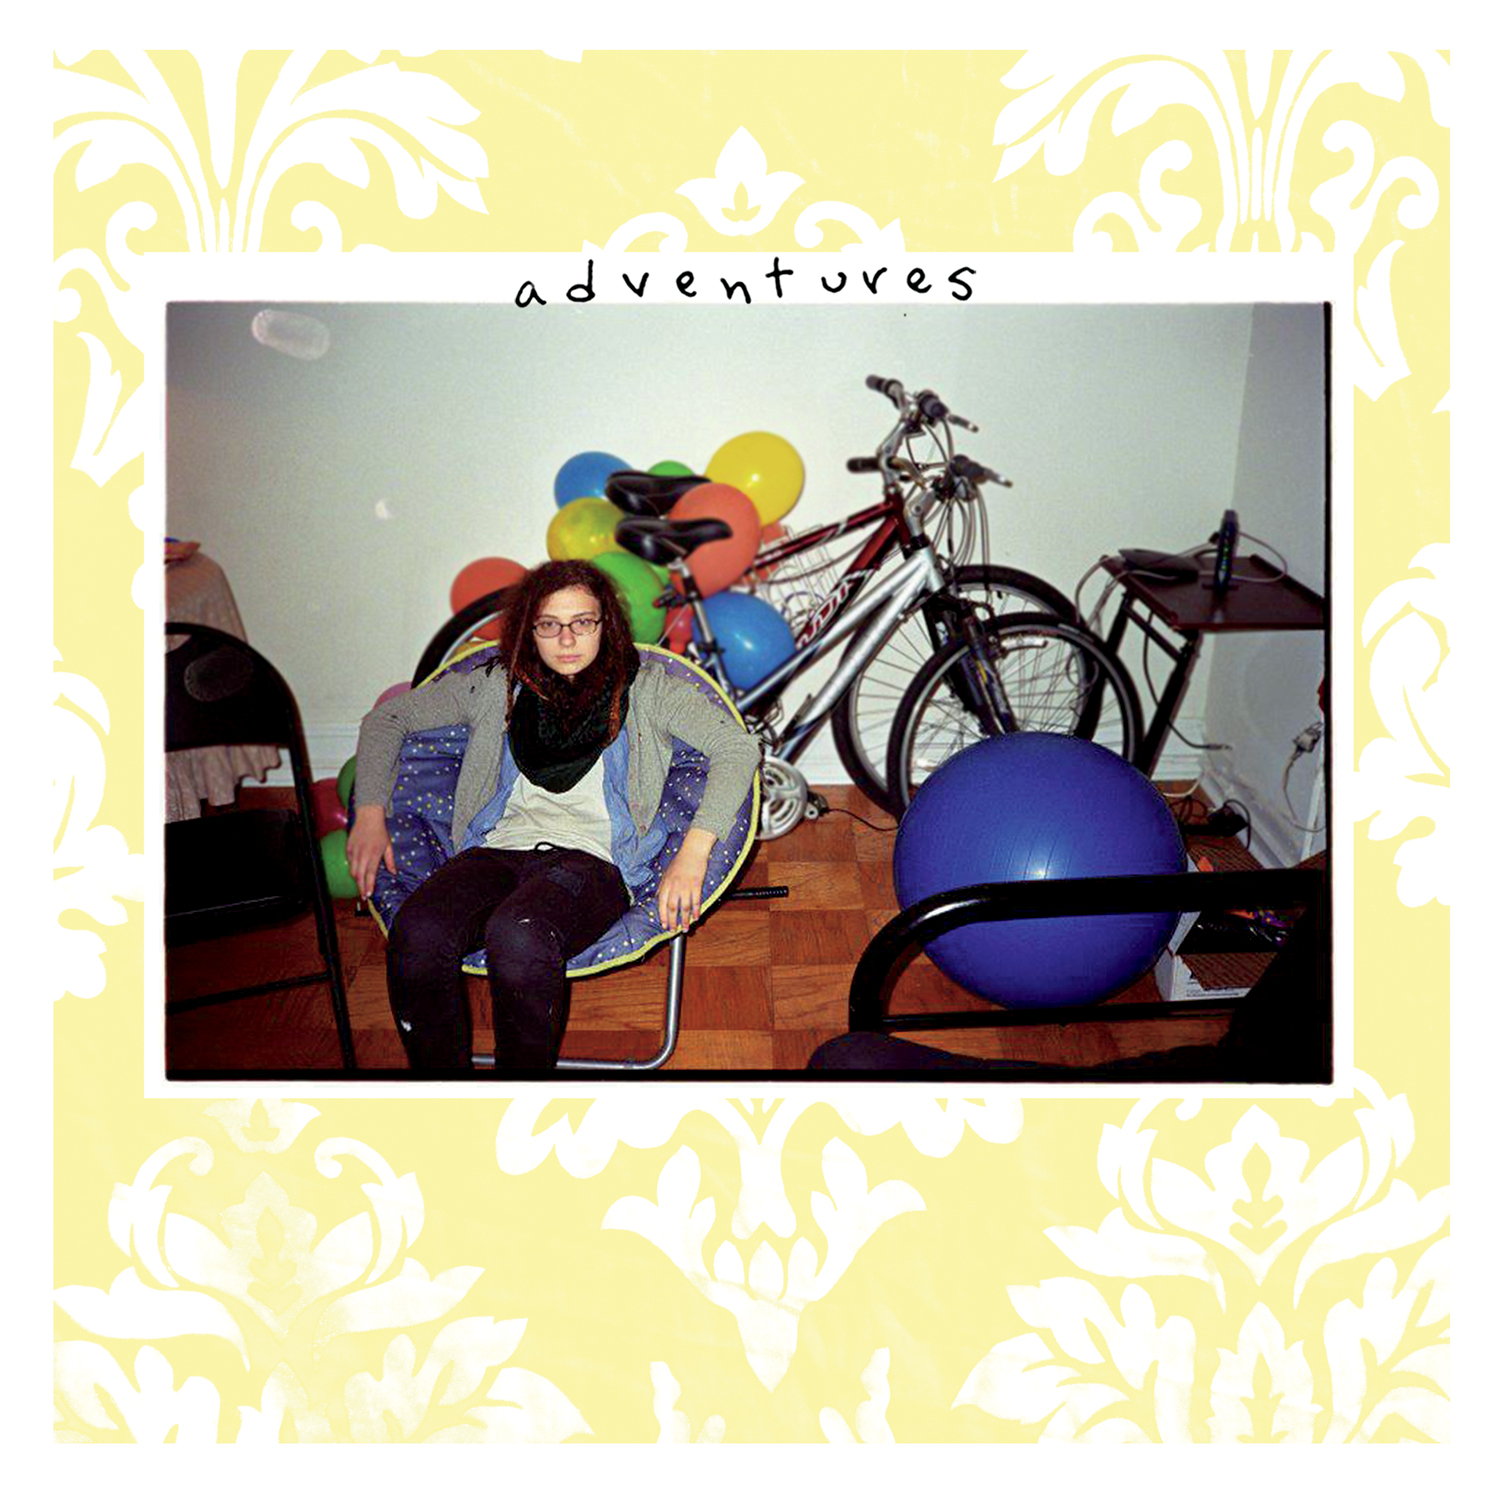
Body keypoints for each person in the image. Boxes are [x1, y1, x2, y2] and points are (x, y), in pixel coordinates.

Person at [347, 559, 760, 1075]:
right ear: (529, 629)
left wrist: (694, 852)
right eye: (549, 624)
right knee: (418, 932)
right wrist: (370, 813)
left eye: (582, 622)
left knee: (519, 935)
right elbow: (388, 719)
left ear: (606, 624)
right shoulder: (496, 684)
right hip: (495, 851)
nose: (567, 639)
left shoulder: (650, 688)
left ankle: (524, 1099)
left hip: (592, 864)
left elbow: (736, 749)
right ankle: (443, 1098)